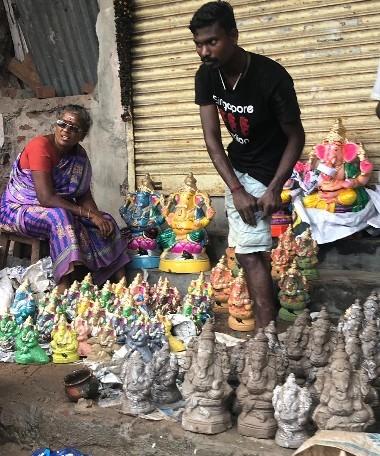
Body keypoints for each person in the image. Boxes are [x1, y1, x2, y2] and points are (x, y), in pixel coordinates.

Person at [189, 1, 305, 328]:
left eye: (212, 41)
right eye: (199, 44)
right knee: (243, 253)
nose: (204, 51)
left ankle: (266, 342)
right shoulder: (207, 76)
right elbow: (212, 138)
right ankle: (267, 337)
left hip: (266, 170)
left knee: (251, 256)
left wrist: (274, 188)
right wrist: (235, 188)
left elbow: (296, 138)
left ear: (234, 35)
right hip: (237, 169)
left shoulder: (271, 78)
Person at [0, 104, 129, 292]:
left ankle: (120, 280)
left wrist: (96, 216)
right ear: (56, 125)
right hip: (17, 209)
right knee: (59, 217)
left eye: (74, 128)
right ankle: (64, 284)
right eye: (63, 124)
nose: (66, 131)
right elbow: (46, 198)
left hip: (58, 208)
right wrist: (88, 214)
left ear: (82, 135)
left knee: (106, 219)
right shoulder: (40, 146)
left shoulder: (79, 155)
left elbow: (83, 194)